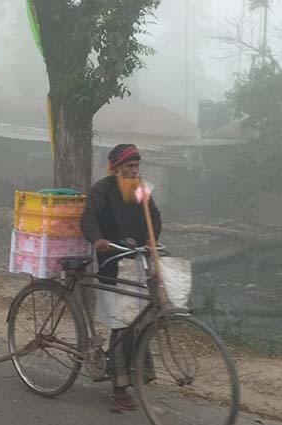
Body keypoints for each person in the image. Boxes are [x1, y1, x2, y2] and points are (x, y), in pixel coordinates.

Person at [80, 143, 161, 410]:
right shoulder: (102, 189)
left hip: (136, 262)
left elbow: (155, 218)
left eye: (137, 166)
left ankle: (137, 373)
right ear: (115, 168)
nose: (134, 171)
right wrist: (98, 239)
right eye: (129, 167)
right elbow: (88, 218)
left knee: (138, 320)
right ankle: (119, 385)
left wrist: (151, 240)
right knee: (122, 324)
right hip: (112, 265)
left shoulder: (140, 189)